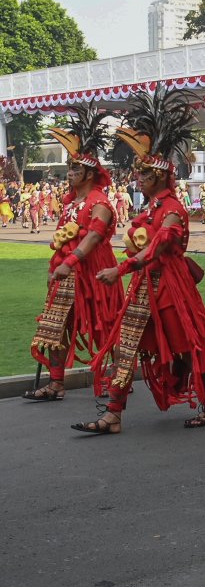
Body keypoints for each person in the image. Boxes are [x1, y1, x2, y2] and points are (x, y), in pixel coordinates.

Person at [78, 87, 205, 435]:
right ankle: (113, 414)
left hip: (171, 290)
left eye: (143, 176)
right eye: (138, 175)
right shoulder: (151, 208)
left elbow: (157, 250)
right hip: (145, 289)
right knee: (125, 346)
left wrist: (120, 268)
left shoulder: (172, 209)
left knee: (187, 348)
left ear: (158, 177)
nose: (137, 180)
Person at [26, 106, 122, 402]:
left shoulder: (100, 202)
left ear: (91, 173)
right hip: (66, 273)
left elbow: (93, 238)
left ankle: (116, 380)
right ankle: (56, 384)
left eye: (75, 169)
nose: (69, 174)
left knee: (105, 326)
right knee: (55, 326)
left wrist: (69, 261)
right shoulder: (69, 202)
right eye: (69, 168)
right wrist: (57, 265)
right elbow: (61, 238)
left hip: (94, 271)